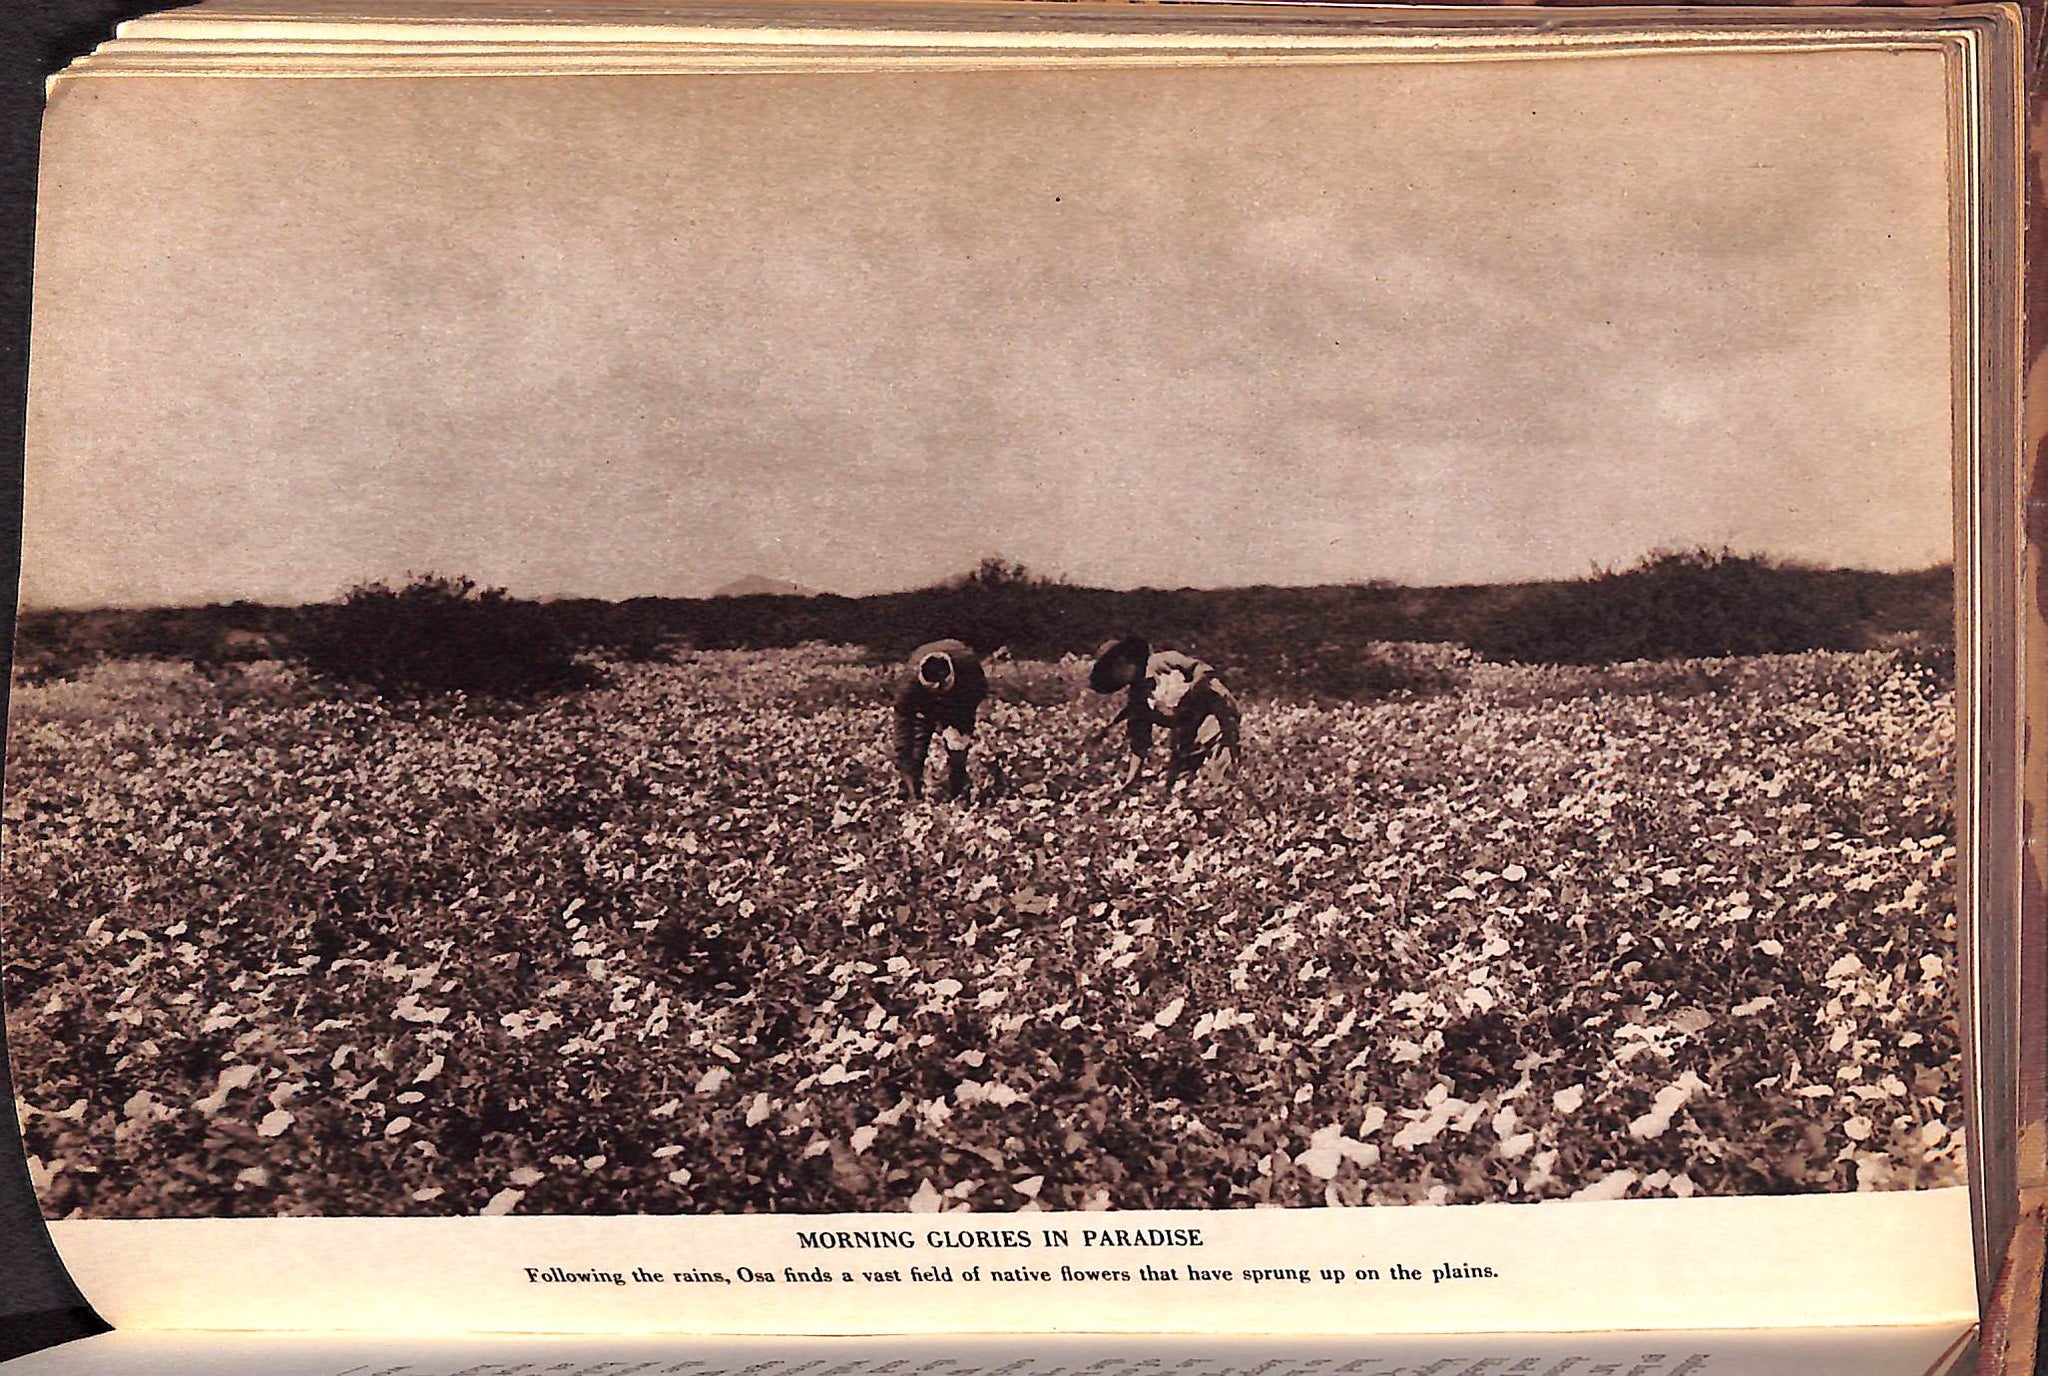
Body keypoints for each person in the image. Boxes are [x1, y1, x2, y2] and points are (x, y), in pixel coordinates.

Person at [1088, 636, 1242, 791]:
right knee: (1179, 786)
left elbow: (1203, 670)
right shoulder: (1137, 700)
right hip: (1186, 730)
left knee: (1222, 767)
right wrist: (1131, 780)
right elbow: (1139, 743)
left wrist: (1189, 694)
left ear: (1122, 662)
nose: (1115, 679)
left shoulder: (1163, 661)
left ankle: (1232, 796)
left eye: (1113, 672)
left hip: (1214, 711)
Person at [893, 639, 988, 801]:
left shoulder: (968, 668)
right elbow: (903, 718)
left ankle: (958, 790)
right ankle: (910, 791)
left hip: (958, 702)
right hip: (925, 704)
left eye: (942, 687)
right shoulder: (910, 683)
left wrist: (957, 727)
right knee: (916, 747)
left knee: (957, 747)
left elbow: (977, 695)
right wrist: (903, 754)